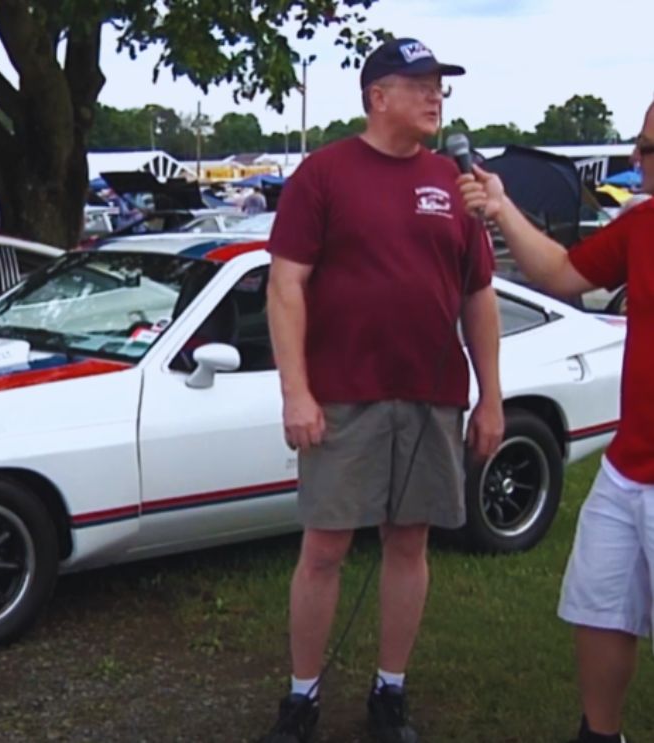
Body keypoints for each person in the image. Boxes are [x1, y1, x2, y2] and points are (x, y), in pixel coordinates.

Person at [259, 38, 503, 743]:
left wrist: (489, 396)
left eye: (439, 87)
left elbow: (478, 296)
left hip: (430, 394)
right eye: (421, 84)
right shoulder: (323, 174)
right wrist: (294, 392)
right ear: (377, 97)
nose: (435, 97)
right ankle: (301, 694)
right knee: (325, 548)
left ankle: (388, 690)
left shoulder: (453, 183)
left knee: (408, 544)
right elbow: (285, 287)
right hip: (342, 396)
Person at [458, 99, 654, 743]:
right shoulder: (642, 224)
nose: (634, 159)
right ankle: (599, 735)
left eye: (647, 150)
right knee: (600, 607)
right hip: (628, 469)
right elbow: (562, 274)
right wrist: (500, 206)